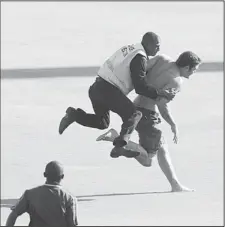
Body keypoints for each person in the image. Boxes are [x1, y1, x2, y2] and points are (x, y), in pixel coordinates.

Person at [96, 51, 202, 192]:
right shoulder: (176, 82)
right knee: (147, 160)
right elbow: (162, 105)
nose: (193, 73)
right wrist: (172, 124)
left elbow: (140, 71)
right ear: (187, 67)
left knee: (162, 148)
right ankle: (115, 137)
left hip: (134, 108)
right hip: (148, 116)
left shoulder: (161, 58)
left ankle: (175, 184)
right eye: (194, 69)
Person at [58, 32, 175, 157]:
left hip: (96, 87)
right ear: (148, 44)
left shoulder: (132, 49)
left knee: (102, 122)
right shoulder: (139, 57)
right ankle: (119, 147)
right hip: (108, 90)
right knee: (134, 114)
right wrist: (161, 93)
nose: (159, 49)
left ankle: (74, 115)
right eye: (157, 46)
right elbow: (140, 87)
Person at [6, 161, 78, 227]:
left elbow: (13, 214)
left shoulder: (29, 194)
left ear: (44, 174)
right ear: (62, 176)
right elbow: (72, 224)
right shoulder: (69, 198)